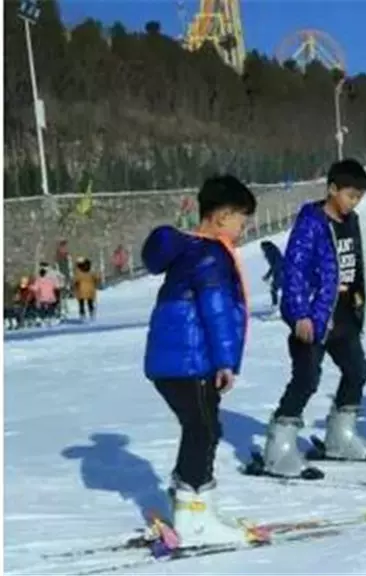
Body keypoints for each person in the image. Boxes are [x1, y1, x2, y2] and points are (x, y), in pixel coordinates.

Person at [141, 174, 263, 546]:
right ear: (222, 216)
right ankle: (194, 516)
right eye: (242, 220)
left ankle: (194, 503)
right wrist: (226, 361)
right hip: (189, 362)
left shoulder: (193, 250)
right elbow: (216, 311)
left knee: (202, 427)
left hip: (178, 361)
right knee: (204, 429)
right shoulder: (210, 254)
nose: (244, 228)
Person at [262, 159, 366, 478]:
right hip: (314, 316)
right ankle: (279, 448)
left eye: (359, 197)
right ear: (332, 189)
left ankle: (340, 437)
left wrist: (357, 305)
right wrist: (300, 314)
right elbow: (294, 271)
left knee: (357, 370)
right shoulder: (311, 223)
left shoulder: (351, 221)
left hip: (344, 314)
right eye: (350, 195)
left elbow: (352, 267)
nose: (354, 202)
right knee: (306, 379)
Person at [259, 240, 285, 311]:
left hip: (281, 273)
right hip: (279, 273)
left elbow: (277, 264)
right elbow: (273, 266)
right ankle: (278, 306)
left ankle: (276, 307)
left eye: (262, 248)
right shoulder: (271, 251)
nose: (262, 250)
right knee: (276, 290)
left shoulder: (271, 252)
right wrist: (267, 276)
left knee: (274, 290)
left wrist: (268, 275)